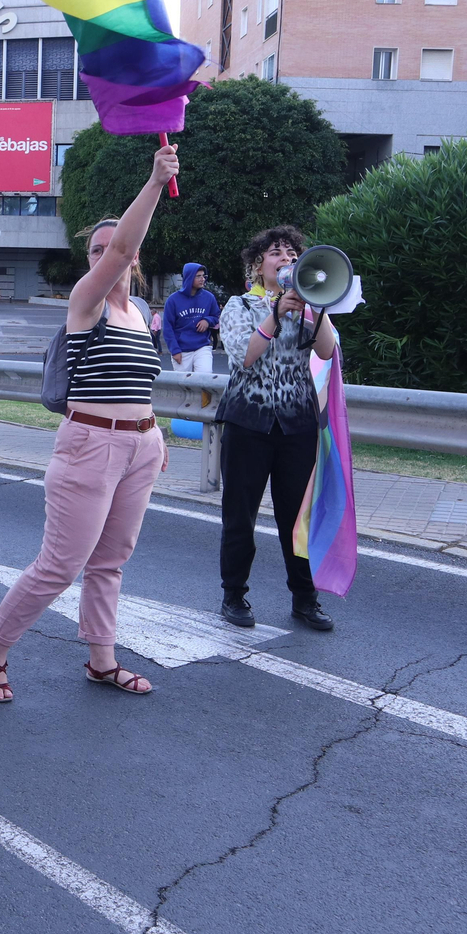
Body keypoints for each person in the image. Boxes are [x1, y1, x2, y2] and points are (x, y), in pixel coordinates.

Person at [0, 145, 179, 705]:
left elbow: (136, 383)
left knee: (111, 561)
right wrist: (156, 183)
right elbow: (121, 245)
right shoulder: (85, 302)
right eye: (94, 250)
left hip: (139, 447)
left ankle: (101, 660)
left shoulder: (139, 315)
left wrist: (152, 433)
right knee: (59, 566)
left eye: (109, 249)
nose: (103, 256)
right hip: (90, 446)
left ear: (135, 263)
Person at [214, 226, 339, 633]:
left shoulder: (309, 306)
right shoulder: (238, 305)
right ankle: (233, 594)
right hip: (248, 421)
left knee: (296, 519)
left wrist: (312, 310)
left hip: (296, 424)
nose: (284, 258)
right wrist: (275, 313)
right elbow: (245, 357)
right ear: (258, 264)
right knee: (240, 514)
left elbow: (326, 351)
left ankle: (305, 599)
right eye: (275, 253)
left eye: (291, 253)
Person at [163, 262, 221, 374]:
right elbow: (168, 328)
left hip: (202, 346)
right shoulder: (173, 300)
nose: (202, 279)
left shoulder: (209, 297)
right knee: (184, 386)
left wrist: (207, 321)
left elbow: (216, 316)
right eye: (198, 276)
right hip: (182, 349)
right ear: (189, 277)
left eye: (204, 276)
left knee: (205, 378)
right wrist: (175, 350)